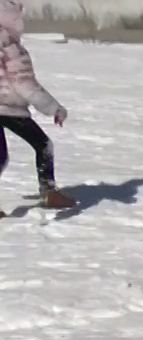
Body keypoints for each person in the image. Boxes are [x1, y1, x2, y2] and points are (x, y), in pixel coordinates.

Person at [0, 0, 72, 210]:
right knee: (43, 145)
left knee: (0, 157)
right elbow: (23, 82)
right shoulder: (9, 44)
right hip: (8, 108)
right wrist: (54, 108)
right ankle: (49, 192)